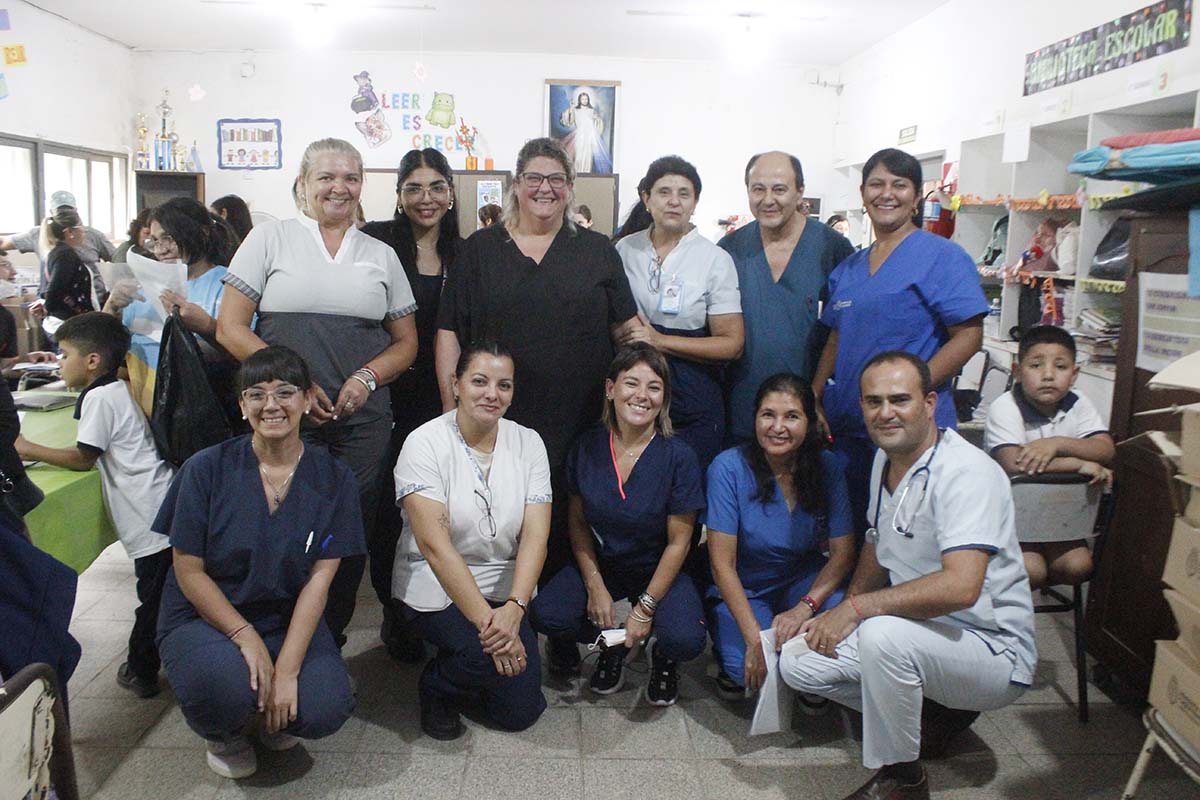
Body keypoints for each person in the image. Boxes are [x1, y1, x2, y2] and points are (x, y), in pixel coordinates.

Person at [780, 352, 1036, 800]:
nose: (886, 413)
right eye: (873, 401)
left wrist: (857, 609)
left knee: (883, 635)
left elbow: (962, 586)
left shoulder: (967, 473)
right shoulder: (886, 460)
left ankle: (904, 778)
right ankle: (932, 718)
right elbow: (877, 544)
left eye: (899, 399)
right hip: (920, 631)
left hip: (991, 648)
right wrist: (840, 615)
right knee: (800, 661)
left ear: (930, 403)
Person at [218, 137, 419, 648]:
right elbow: (230, 328)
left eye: (350, 177)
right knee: (281, 519)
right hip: (283, 418)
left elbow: (406, 344)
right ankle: (273, 635)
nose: (339, 187)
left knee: (346, 528)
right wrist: (295, 386)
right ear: (303, 184)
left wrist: (366, 378)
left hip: (362, 424)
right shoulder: (270, 240)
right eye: (326, 177)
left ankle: (328, 638)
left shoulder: (380, 254)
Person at [154, 346, 363, 779]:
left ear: (308, 399)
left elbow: (319, 582)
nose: (271, 405)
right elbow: (188, 570)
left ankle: (275, 715)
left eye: (285, 392)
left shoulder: (334, 478)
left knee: (325, 705)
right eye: (256, 394)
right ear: (241, 405)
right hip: (205, 617)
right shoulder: (205, 469)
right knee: (225, 690)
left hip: (284, 616)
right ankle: (225, 732)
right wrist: (243, 634)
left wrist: (287, 670)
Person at [436, 137, 638, 578]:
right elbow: (449, 331)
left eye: (556, 179)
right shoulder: (479, 250)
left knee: (568, 525)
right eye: (534, 178)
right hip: (497, 416)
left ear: (570, 186)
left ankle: (562, 610)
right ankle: (500, 607)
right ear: (516, 184)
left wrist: (632, 399)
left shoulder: (597, 250)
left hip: (579, 417)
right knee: (498, 522)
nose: (545, 188)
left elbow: (627, 331)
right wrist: (452, 409)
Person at [813, 148, 987, 536]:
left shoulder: (943, 257)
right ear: (863, 194)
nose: (887, 193)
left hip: (912, 428)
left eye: (900, 184)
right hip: (851, 428)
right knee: (853, 533)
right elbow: (837, 336)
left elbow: (969, 336)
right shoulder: (849, 268)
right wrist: (814, 394)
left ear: (917, 197)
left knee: (910, 538)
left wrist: (912, 387)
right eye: (876, 184)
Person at [529, 344, 706, 704]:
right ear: (611, 389)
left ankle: (662, 653)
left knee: (685, 638)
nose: (642, 395)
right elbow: (577, 522)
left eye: (654, 387)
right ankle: (613, 644)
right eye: (632, 383)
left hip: (660, 566)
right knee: (548, 615)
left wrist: (645, 608)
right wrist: (595, 584)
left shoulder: (679, 457)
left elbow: (679, 543)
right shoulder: (587, 447)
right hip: (607, 562)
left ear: (664, 398)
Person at [393, 341, 551, 739]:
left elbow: (536, 536)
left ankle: (475, 666)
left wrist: (515, 608)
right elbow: (434, 548)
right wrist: (493, 629)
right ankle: (437, 687)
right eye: (479, 381)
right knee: (482, 656)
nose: (492, 394)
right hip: (436, 581)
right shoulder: (424, 443)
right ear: (456, 385)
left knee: (520, 712)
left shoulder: (529, 442)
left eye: (504, 385)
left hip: (503, 584)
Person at [15, 312, 175, 699]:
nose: (59, 362)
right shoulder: (115, 388)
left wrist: (27, 448)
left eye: (64, 354)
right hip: (159, 502)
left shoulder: (100, 397)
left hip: (147, 512)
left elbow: (83, 457)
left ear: (92, 360)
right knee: (161, 594)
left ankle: (141, 669)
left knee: (154, 599)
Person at [361, 147, 463, 661]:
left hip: (443, 395)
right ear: (399, 195)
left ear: (451, 193)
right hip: (385, 391)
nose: (427, 198)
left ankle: (440, 606)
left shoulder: (465, 252)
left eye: (437, 186)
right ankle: (394, 610)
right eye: (414, 188)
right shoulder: (376, 242)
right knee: (388, 508)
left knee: (439, 506)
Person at [705, 373, 857, 697]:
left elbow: (843, 552)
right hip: (747, 586)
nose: (778, 427)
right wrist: (754, 640)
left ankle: (808, 673)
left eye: (791, 416)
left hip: (804, 581)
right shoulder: (727, 468)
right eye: (768, 415)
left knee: (845, 633)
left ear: (809, 421)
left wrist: (804, 608)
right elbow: (721, 565)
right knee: (749, 672)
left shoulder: (827, 467)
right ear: (755, 418)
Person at [614, 155, 743, 469]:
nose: (674, 201)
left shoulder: (715, 259)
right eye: (664, 192)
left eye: (684, 194)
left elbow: (732, 344)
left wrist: (660, 341)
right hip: (633, 393)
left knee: (684, 483)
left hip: (692, 394)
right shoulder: (624, 250)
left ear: (695, 202)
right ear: (646, 198)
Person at [718, 151, 854, 443]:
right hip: (742, 409)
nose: (768, 199)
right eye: (758, 189)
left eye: (779, 189)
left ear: (800, 191)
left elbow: (844, 330)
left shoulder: (832, 248)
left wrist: (817, 394)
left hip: (809, 412)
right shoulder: (729, 250)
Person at [984, 325, 1114, 590]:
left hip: (1059, 515)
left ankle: (1027, 585)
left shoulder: (1078, 403)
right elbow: (1014, 462)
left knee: (1079, 565)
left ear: (1074, 374)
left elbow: (1105, 449)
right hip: (1011, 520)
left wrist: (1057, 444)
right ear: (1017, 371)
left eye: (1061, 367)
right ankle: (1010, 599)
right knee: (1031, 570)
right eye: (1036, 365)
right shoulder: (1006, 407)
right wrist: (1078, 464)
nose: (1048, 375)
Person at [105, 198, 241, 416]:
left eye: (169, 238)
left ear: (203, 232)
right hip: (142, 411)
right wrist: (111, 308)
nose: (162, 250)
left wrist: (205, 326)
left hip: (202, 410)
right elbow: (104, 349)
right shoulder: (141, 288)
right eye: (154, 241)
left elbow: (242, 355)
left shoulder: (229, 284)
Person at [0, 190, 115, 300]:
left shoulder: (93, 235)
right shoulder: (40, 235)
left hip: (91, 297)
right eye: (60, 210)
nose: (65, 214)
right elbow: (4, 243)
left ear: (76, 211)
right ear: (51, 213)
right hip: (59, 301)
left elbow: (116, 258)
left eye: (69, 210)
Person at [41, 209, 99, 327]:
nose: (84, 232)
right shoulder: (65, 255)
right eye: (81, 228)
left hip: (64, 320)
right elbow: (53, 291)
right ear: (69, 232)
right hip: (67, 323)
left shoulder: (55, 252)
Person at [558, 90, 610, 174]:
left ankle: (586, 172)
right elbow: (569, 121)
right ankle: (577, 172)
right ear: (579, 100)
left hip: (589, 135)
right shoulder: (576, 110)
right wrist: (571, 108)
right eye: (582, 99)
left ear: (588, 100)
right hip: (579, 135)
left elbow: (598, 122)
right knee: (579, 155)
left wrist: (596, 119)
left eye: (586, 99)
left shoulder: (591, 110)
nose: (584, 101)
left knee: (588, 155)